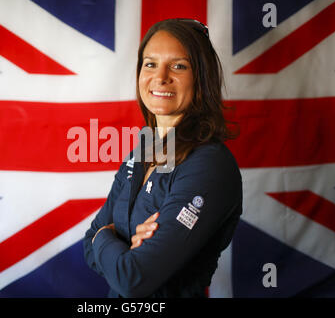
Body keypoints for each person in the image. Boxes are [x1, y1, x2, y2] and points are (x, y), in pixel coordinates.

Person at [83, 18, 242, 298]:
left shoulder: (209, 165)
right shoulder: (146, 149)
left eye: (178, 66)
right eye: (150, 63)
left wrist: (105, 236)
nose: (161, 77)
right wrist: (112, 244)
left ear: (201, 77)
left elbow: (132, 278)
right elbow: (88, 247)